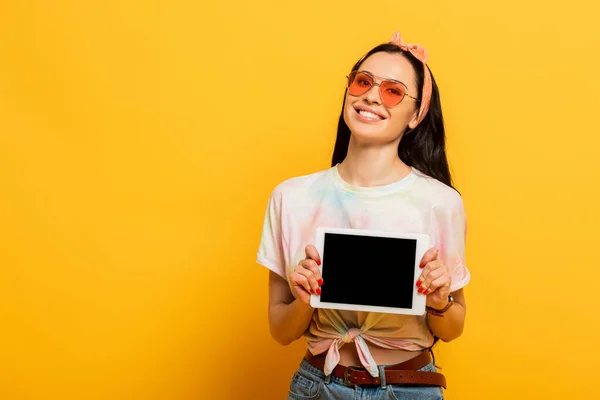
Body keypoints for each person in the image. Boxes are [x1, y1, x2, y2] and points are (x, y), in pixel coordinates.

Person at [256, 31, 471, 400]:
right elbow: (280, 331)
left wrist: (439, 301)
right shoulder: (291, 197)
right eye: (363, 82)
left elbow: (452, 328)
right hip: (318, 386)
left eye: (393, 91)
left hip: (409, 389)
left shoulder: (440, 202)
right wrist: (305, 297)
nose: (371, 96)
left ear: (416, 114)